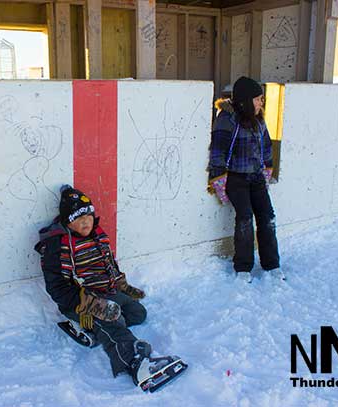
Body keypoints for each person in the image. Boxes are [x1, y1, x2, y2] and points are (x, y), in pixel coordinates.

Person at [34, 185, 187, 391]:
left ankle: (90, 329)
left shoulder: (97, 235)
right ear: (68, 221)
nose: (86, 221)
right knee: (112, 317)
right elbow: (56, 288)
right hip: (79, 301)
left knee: (137, 313)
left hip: (107, 292)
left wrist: (123, 286)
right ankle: (135, 361)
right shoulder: (57, 246)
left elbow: (110, 266)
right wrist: (89, 304)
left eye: (88, 215)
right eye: (78, 218)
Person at [207, 76, 283, 282]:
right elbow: (217, 151)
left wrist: (267, 170)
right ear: (245, 100)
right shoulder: (228, 119)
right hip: (236, 179)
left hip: (257, 177)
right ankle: (243, 267)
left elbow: (266, 145)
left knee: (267, 217)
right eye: (258, 99)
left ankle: (272, 264)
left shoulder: (258, 118)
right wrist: (218, 179)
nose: (261, 103)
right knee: (245, 218)